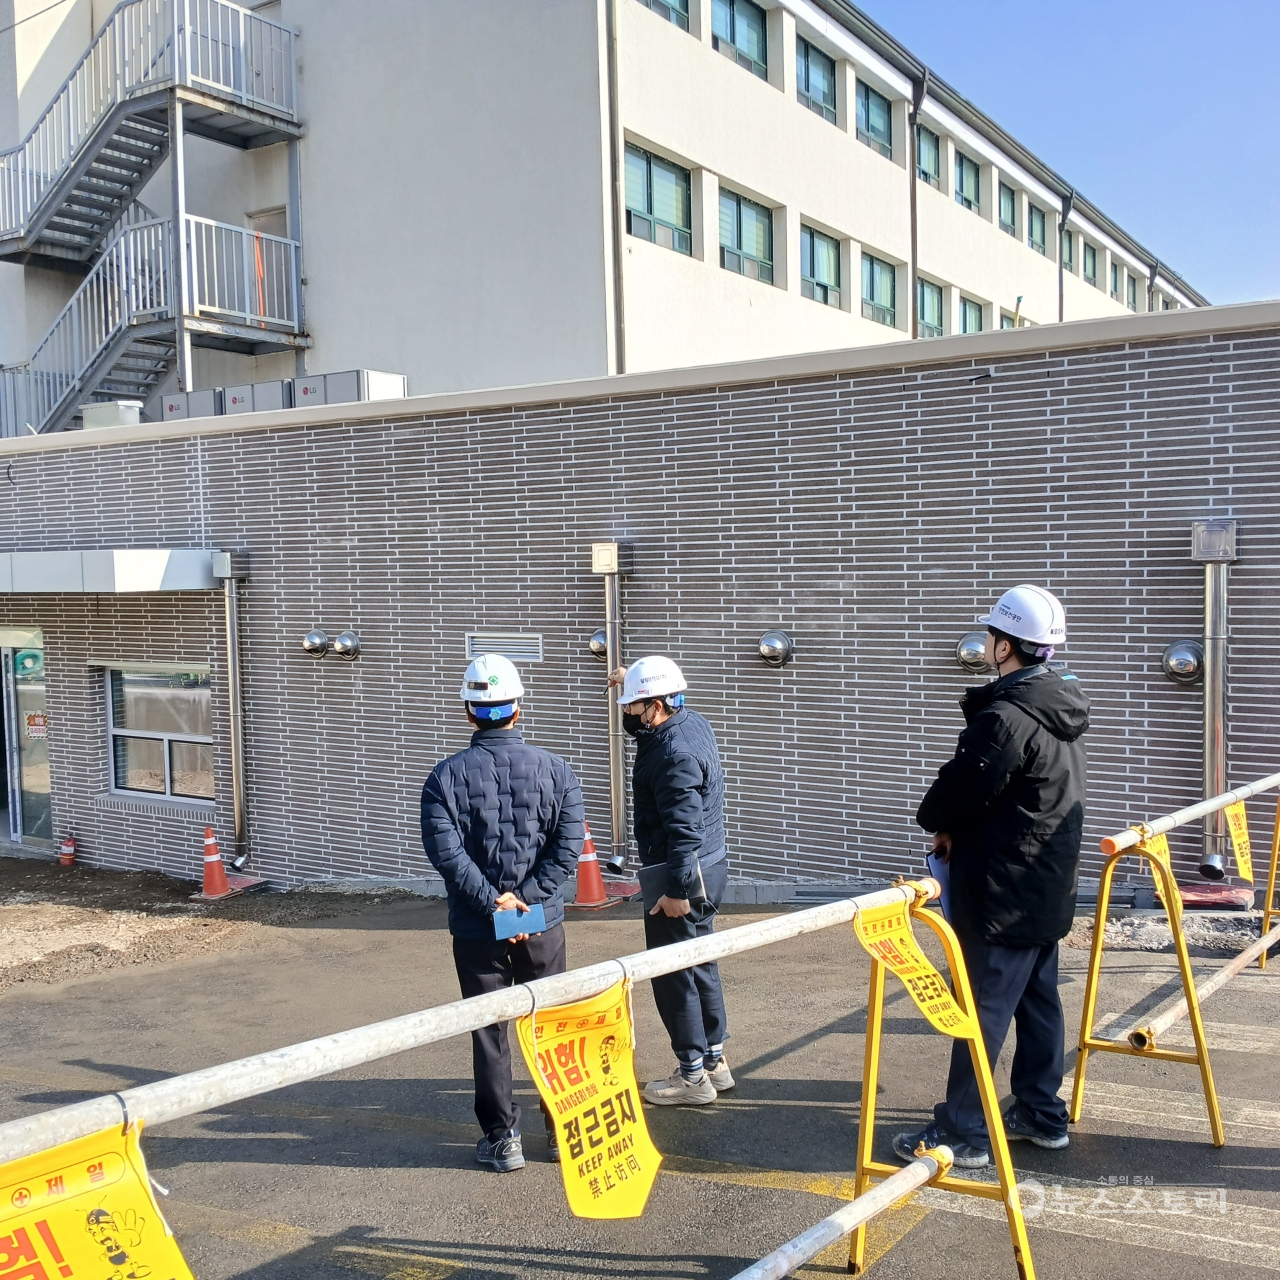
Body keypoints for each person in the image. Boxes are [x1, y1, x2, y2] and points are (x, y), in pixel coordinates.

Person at [895, 585, 1089, 1169]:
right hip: (1046, 887)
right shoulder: (1060, 705)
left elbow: (960, 790)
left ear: (1006, 645)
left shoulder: (1005, 717)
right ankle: (1039, 1113)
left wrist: (940, 821)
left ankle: (963, 1134)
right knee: (1037, 1004)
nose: (983, 643)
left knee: (981, 1012)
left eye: (989, 635)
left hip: (1004, 891)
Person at [420, 653, 584, 1173]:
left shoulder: (444, 778)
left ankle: (502, 1138)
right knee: (550, 1023)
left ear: (469, 711)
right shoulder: (557, 771)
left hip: (477, 924)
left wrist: (495, 901)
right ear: (518, 708)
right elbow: (569, 844)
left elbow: (446, 854)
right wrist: (528, 899)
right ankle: (562, 1128)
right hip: (542, 921)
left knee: (490, 1030)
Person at [610, 655, 733, 1106]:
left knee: (673, 972)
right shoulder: (690, 722)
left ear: (655, 706)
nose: (629, 714)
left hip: (681, 874)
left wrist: (676, 892)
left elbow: (684, 829)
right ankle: (715, 1063)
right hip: (710, 865)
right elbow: (645, 730)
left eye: (634, 706)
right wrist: (631, 682)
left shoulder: (673, 755)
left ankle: (692, 1076)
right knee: (703, 962)